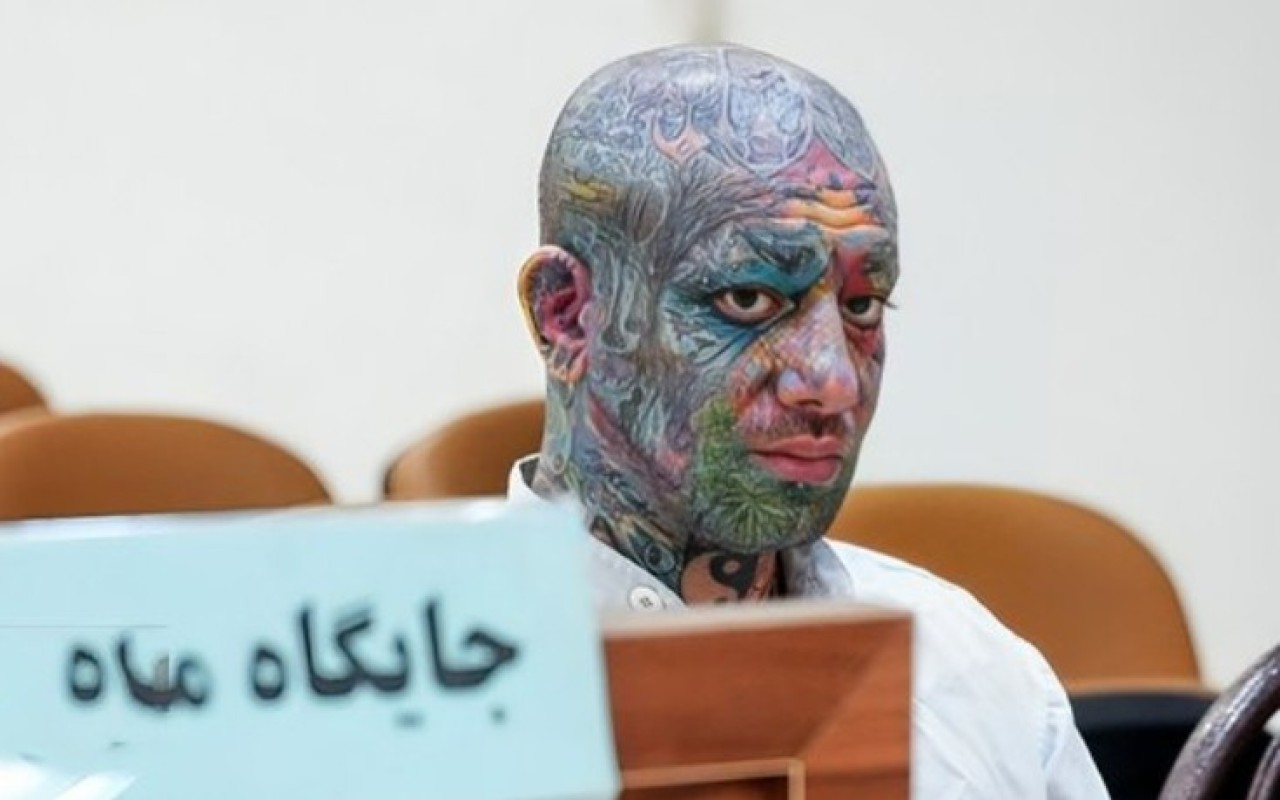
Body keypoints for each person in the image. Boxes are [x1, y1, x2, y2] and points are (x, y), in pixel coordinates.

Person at [512, 44, 1109, 797]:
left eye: (862, 305)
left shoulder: (976, 675)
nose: (833, 380)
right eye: (747, 299)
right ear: (566, 315)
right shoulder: (417, 705)